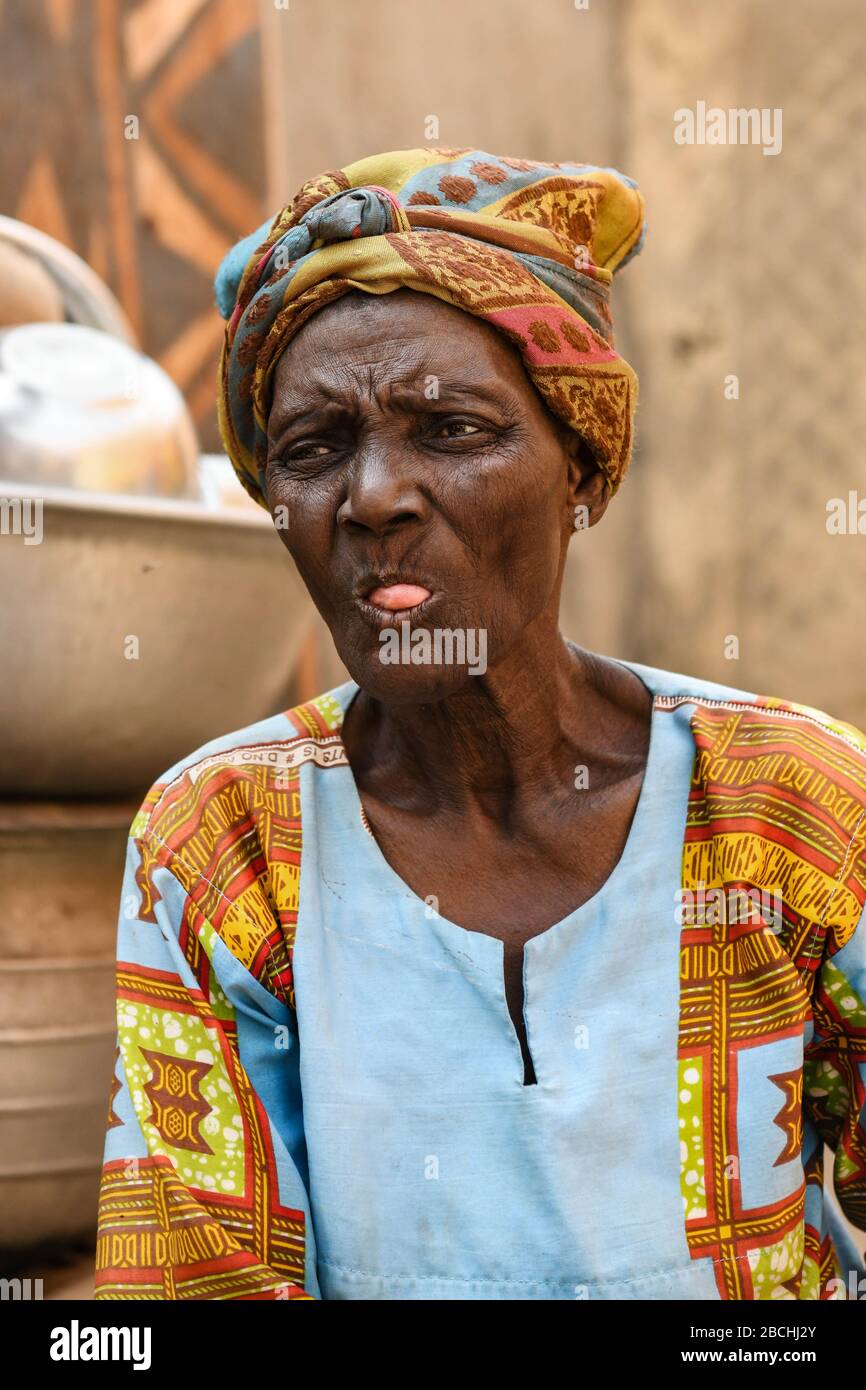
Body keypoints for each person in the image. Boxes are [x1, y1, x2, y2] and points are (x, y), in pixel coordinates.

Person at [95, 147, 866, 1301]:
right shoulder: (222, 844)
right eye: (311, 451)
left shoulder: (792, 804)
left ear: (581, 470)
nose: (372, 497)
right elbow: (196, 1287)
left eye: (449, 429)